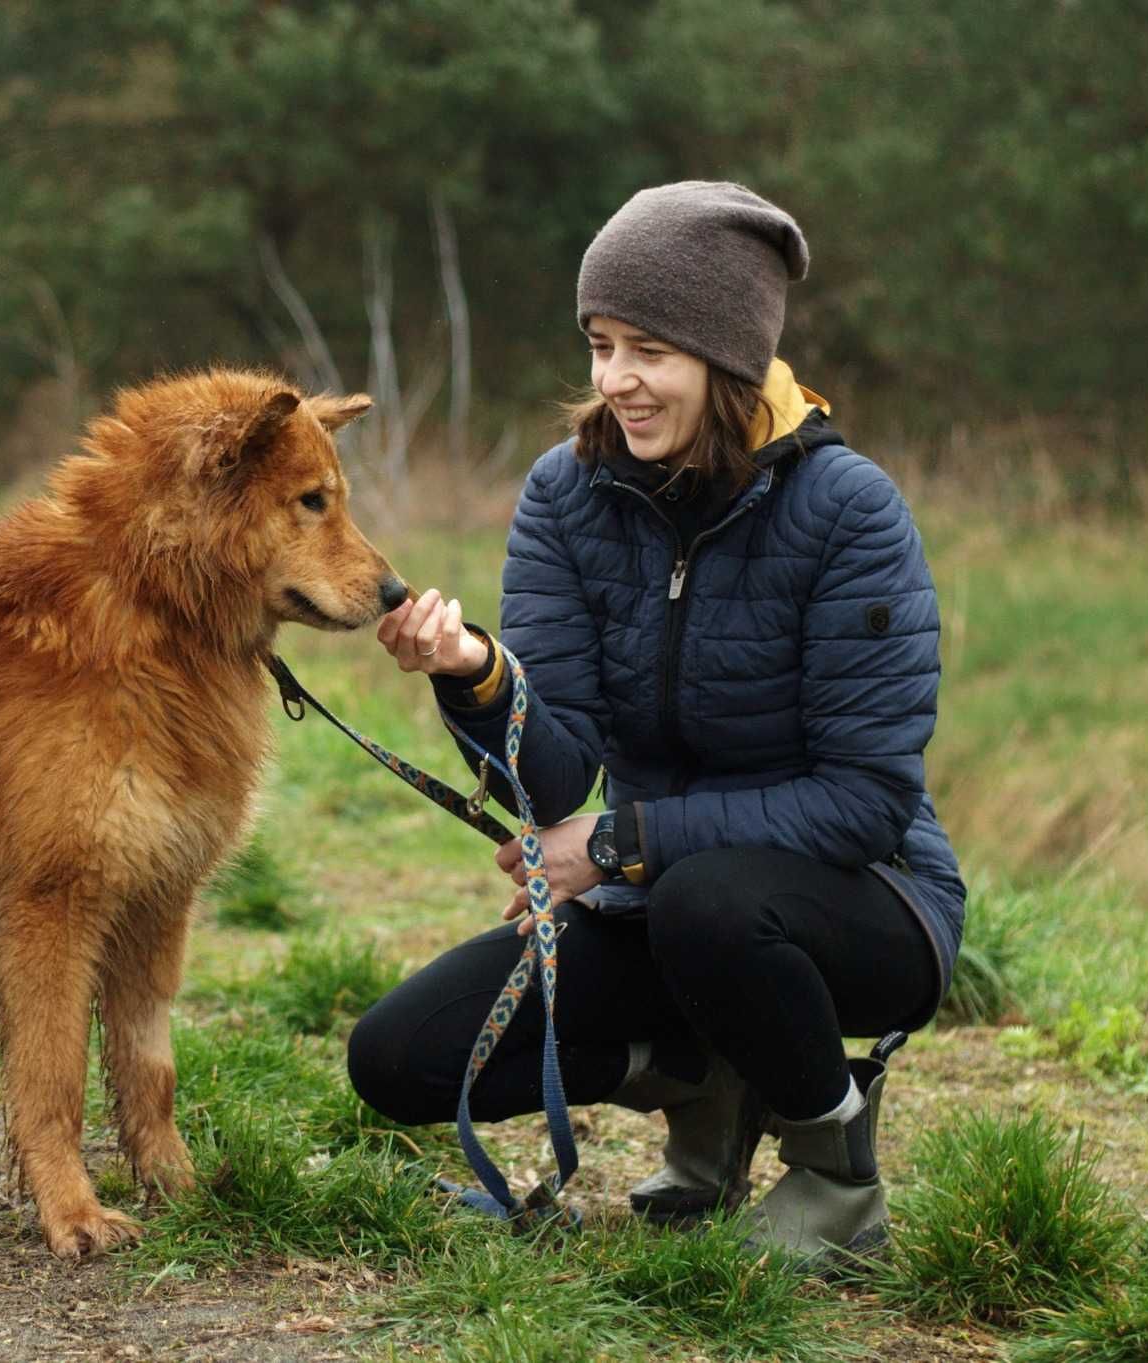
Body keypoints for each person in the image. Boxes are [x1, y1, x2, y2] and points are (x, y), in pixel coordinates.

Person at [345, 181, 966, 1268]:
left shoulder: (846, 510)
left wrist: (622, 843)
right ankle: (706, 1082)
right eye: (598, 343)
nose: (613, 381)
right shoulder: (565, 493)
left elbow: (866, 801)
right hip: (660, 902)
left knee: (709, 900)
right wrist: (474, 674)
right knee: (397, 1056)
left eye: (649, 350)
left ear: (726, 357)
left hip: (863, 904)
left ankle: (832, 1173)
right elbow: (553, 781)